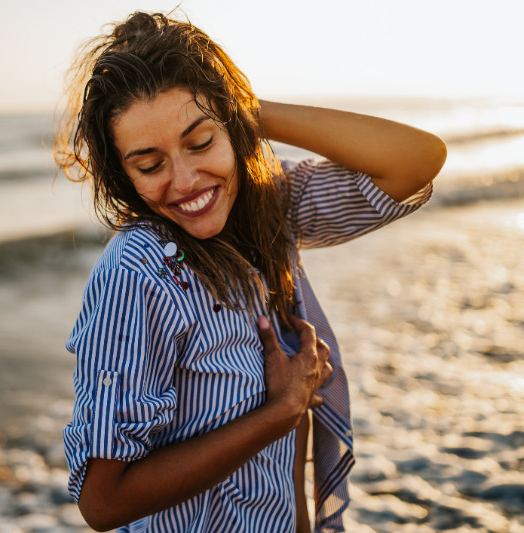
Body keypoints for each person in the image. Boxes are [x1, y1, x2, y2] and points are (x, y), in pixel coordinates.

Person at [54, 11, 446, 533]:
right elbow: (104, 503)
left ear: (235, 130)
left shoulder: (271, 211)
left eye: (201, 141)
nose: (186, 180)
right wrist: (279, 411)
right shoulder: (140, 271)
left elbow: (415, 161)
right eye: (149, 165)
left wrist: (243, 109)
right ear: (123, 176)